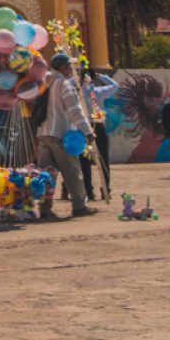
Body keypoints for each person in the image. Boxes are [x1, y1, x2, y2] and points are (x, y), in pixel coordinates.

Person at [36, 52, 97, 219]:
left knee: (45, 175)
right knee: (72, 172)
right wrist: (88, 132)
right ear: (62, 67)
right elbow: (74, 111)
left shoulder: (43, 83)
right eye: (69, 66)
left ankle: (44, 209)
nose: (71, 69)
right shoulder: (64, 84)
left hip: (43, 134)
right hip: (60, 135)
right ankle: (79, 206)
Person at [80, 66, 118, 199]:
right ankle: (105, 189)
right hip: (98, 125)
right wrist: (101, 76)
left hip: (83, 127)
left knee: (84, 160)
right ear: (93, 78)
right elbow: (115, 85)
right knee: (103, 159)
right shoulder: (98, 91)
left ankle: (88, 191)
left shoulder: (78, 92)